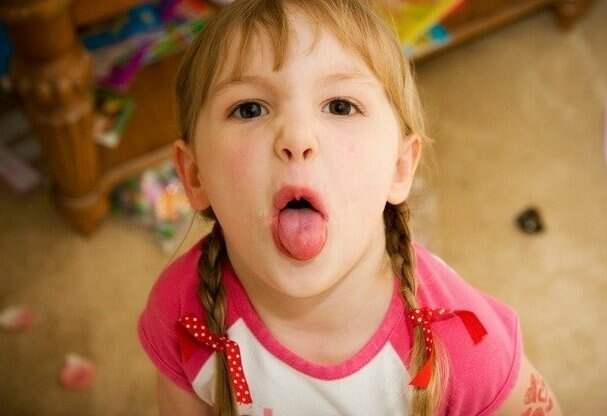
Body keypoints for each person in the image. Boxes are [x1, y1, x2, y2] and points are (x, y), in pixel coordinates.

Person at [137, 1, 563, 415]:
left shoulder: (468, 350)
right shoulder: (181, 316)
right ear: (195, 176)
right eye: (249, 109)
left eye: (340, 106)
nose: (297, 137)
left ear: (399, 167)